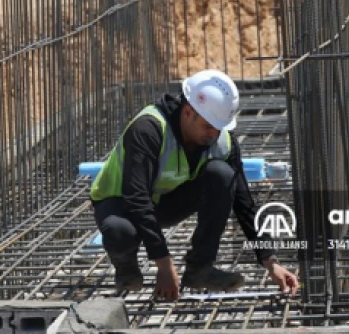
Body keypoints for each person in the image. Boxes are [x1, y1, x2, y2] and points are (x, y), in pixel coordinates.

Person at [89, 69, 300, 301]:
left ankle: (200, 269)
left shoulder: (221, 140)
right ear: (188, 112)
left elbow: (244, 202)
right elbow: (137, 197)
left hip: (164, 202)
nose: (214, 134)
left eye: (219, 127)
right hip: (120, 203)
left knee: (222, 175)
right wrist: (164, 264)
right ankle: (126, 268)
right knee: (121, 232)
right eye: (209, 126)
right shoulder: (148, 129)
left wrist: (270, 261)